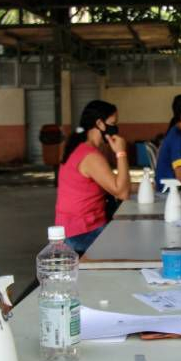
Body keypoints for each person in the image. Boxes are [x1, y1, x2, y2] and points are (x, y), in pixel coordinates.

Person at [56, 100, 129, 255]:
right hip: (83, 232)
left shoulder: (79, 148)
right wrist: (121, 153)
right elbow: (122, 192)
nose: (115, 128)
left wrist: (145, 186)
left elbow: (111, 182)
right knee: (132, 243)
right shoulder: (90, 156)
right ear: (100, 124)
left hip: (72, 228)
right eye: (113, 123)